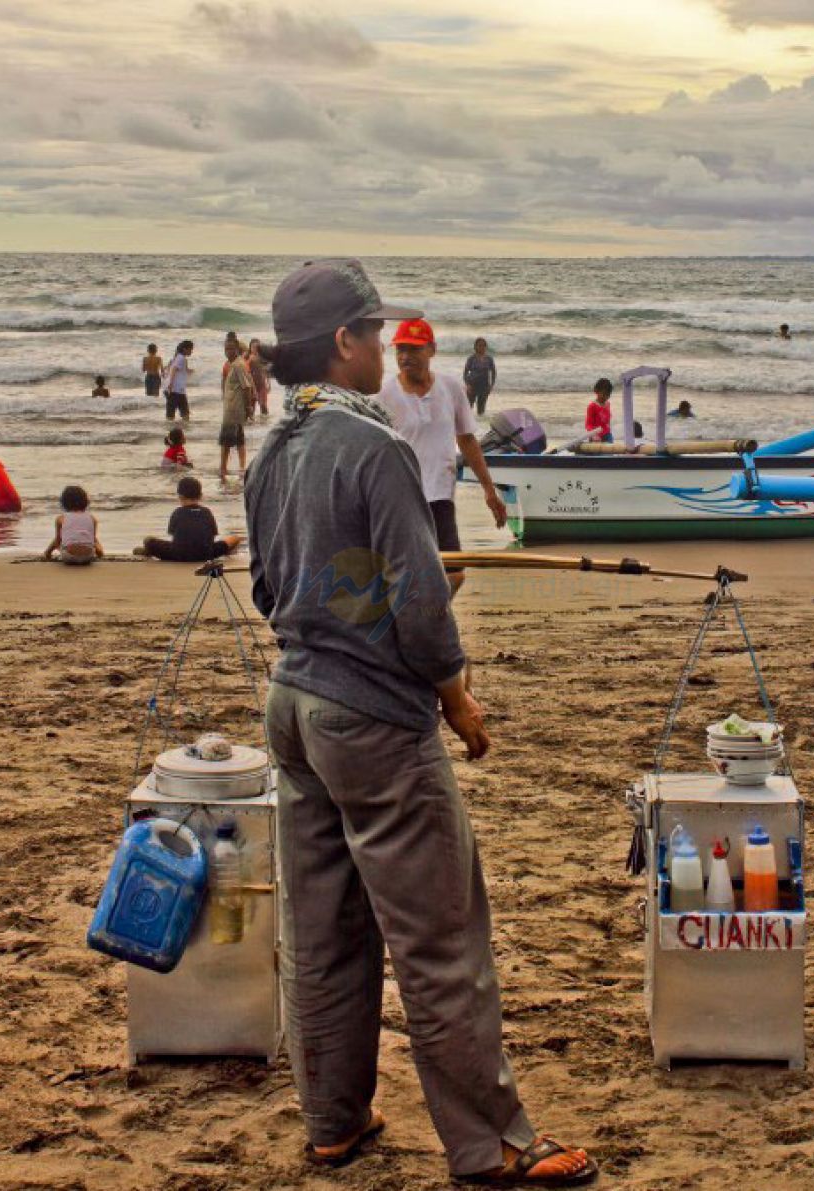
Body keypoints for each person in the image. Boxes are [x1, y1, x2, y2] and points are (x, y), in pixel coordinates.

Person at [245, 259, 597, 1187]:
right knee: (441, 939)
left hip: (294, 707)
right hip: (372, 720)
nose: (382, 344)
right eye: (372, 330)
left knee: (325, 930)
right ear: (344, 345)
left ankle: (334, 1121)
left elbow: (268, 589)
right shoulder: (374, 448)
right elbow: (421, 606)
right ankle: (492, 1145)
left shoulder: (273, 450)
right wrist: (457, 696)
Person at [377, 317, 507, 596]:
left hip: (440, 496)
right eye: (400, 350)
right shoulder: (384, 396)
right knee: (406, 574)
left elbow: (468, 440)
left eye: (413, 349)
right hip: (403, 500)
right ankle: (418, 626)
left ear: (431, 350)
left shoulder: (451, 389)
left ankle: (428, 619)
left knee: (455, 573)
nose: (404, 357)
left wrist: (489, 490)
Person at [133, 475, 241, 561]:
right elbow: (212, 536)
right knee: (235, 538)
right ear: (200, 495)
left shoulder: (177, 512)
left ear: (180, 496)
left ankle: (149, 551)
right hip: (206, 555)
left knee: (148, 540)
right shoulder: (207, 512)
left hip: (178, 555)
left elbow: (173, 536)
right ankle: (228, 552)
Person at [42, 485, 103, 564]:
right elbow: (93, 540)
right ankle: (100, 552)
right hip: (88, 557)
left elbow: (57, 541)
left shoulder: (61, 519)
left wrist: (48, 553)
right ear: (85, 501)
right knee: (93, 539)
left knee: (63, 539)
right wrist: (99, 553)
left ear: (64, 502)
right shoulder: (92, 519)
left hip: (69, 557)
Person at [220, 338, 252, 481]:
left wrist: (248, 406)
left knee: (225, 441)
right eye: (226, 349)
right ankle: (241, 468)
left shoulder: (239, 365)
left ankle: (223, 468)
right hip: (231, 407)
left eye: (231, 349)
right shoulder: (232, 364)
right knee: (239, 440)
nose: (228, 351)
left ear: (237, 350)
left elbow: (247, 387)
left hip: (234, 409)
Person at [463, 337, 497, 416]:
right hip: (472, 386)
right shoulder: (471, 358)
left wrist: (491, 385)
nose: (482, 347)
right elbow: (465, 372)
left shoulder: (489, 359)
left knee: (481, 411)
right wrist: (467, 385)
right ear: (475, 347)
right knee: (468, 409)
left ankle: (480, 426)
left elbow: (493, 372)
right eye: (479, 345)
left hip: (484, 387)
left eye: (483, 346)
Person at [164, 340, 194, 421]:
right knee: (185, 414)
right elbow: (173, 369)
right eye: (190, 349)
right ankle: (183, 429)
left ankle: (170, 429)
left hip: (173, 389)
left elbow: (180, 369)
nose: (191, 351)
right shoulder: (181, 358)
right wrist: (171, 383)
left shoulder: (178, 357)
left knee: (171, 414)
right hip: (176, 389)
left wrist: (191, 371)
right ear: (184, 349)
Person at [246, 338, 271, 417]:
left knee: (263, 405)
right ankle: (251, 423)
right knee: (251, 406)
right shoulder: (248, 358)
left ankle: (265, 422)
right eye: (253, 347)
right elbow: (246, 371)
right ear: (250, 348)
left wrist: (269, 384)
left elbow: (266, 371)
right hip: (252, 385)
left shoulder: (262, 358)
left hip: (262, 384)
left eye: (257, 347)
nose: (255, 349)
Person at [585, 378, 613, 443]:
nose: (605, 397)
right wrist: (594, 435)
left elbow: (607, 421)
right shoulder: (592, 406)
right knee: (598, 453)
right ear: (596, 391)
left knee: (609, 452)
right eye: (603, 394)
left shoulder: (607, 404)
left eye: (608, 395)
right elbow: (588, 424)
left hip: (607, 435)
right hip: (595, 436)